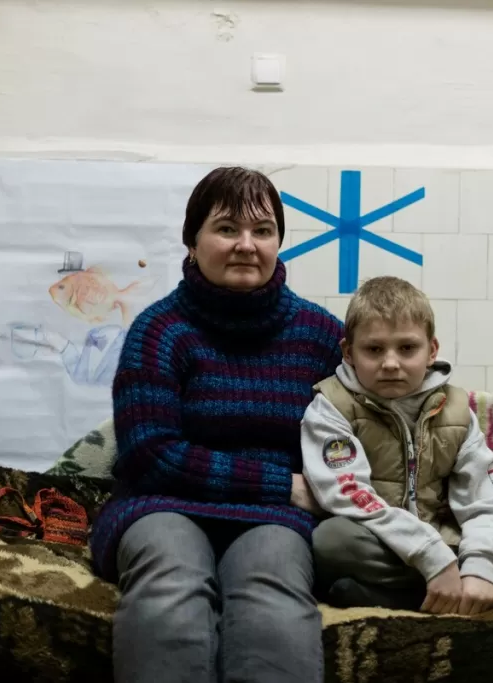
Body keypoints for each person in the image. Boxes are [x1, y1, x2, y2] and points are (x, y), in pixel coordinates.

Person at [89, 167, 343, 683]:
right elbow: (150, 454)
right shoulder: (159, 330)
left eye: (262, 231)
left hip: (273, 519)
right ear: (192, 241)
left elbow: (367, 429)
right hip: (163, 504)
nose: (246, 245)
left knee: (270, 587)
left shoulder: (321, 336)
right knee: (171, 581)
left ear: (278, 242)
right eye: (227, 229)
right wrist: (278, 483)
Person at [302, 276, 493, 614]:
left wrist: (481, 567)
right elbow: (347, 494)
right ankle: (453, 594)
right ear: (348, 352)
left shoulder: (455, 408)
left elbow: (487, 496)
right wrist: (432, 558)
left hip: (454, 545)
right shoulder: (331, 407)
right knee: (330, 541)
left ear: (431, 351)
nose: (390, 363)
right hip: (386, 547)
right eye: (373, 349)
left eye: (406, 348)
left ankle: (445, 595)